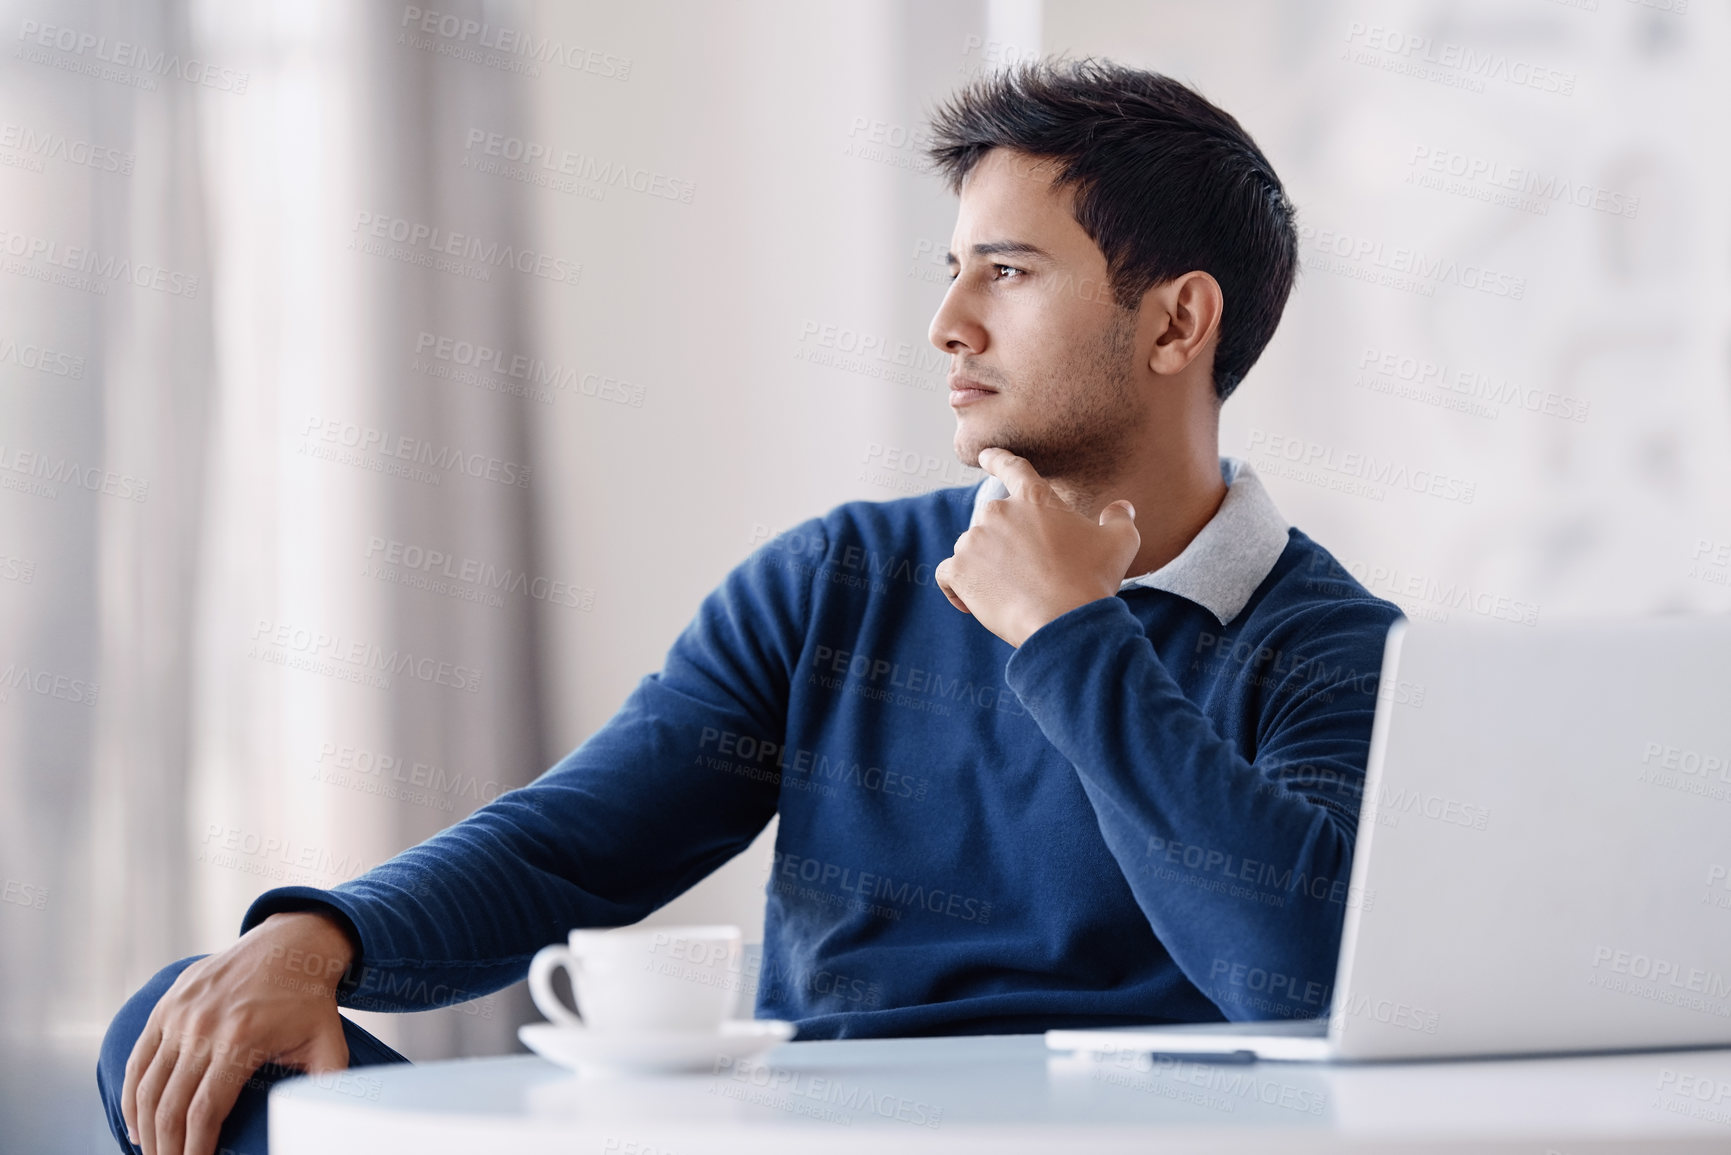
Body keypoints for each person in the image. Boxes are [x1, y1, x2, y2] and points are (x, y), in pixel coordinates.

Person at [99, 56, 1400, 1155]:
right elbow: (572, 846)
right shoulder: (839, 581)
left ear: (1177, 325)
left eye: (1006, 272)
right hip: (788, 1143)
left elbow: (1295, 975)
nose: (947, 322)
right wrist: (321, 937)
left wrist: (1069, 637)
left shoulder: (1340, 651)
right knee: (179, 1024)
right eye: (951, 269)